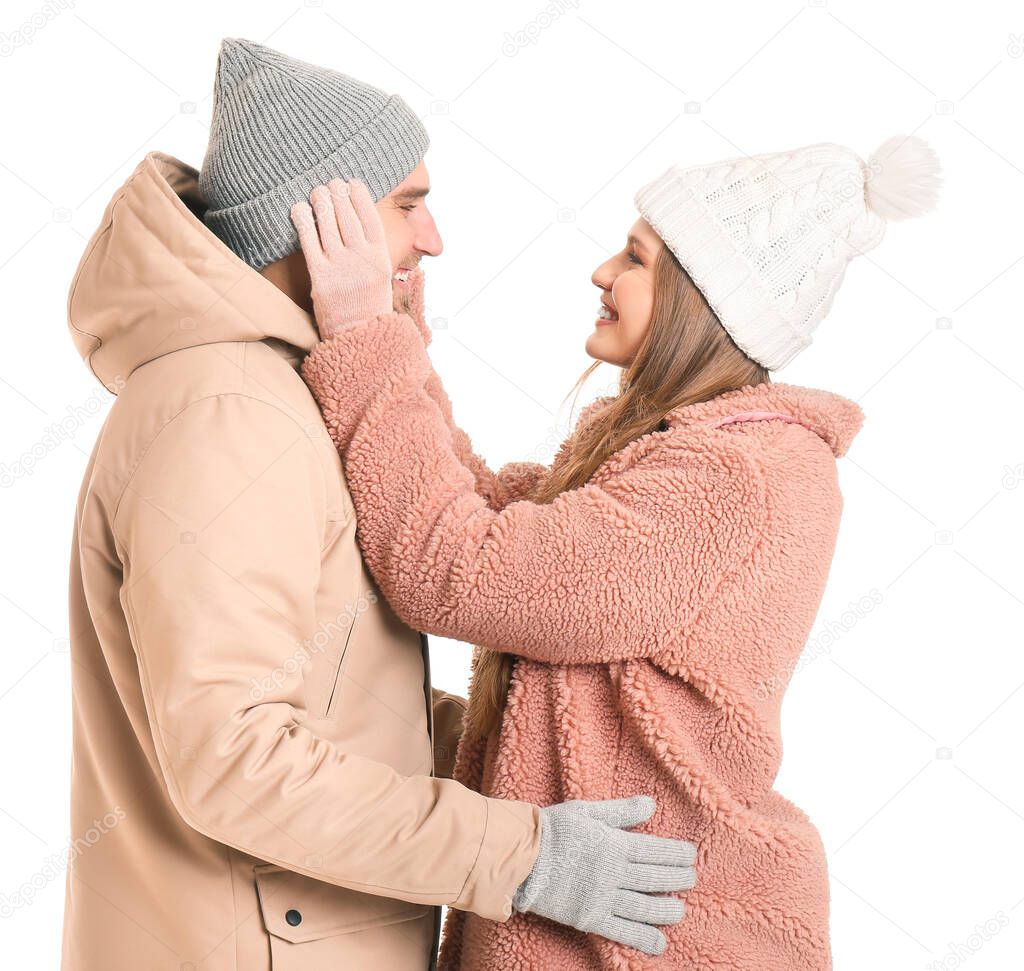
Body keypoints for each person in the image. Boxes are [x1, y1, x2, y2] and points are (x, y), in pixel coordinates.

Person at [60, 38, 696, 971]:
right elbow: (235, 759)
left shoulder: (266, 391)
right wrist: (522, 857)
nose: (431, 240)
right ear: (320, 221)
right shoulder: (230, 411)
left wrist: (533, 743)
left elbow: (335, 695)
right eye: (409, 205)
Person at [291, 133, 942, 968]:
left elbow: (453, 570)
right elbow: (480, 506)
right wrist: (392, 327)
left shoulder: (722, 477)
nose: (603, 272)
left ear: (703, 300)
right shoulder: (673, 448)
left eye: (634, 259)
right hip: (619, 913)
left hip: (658, 936)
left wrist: (359, 339)